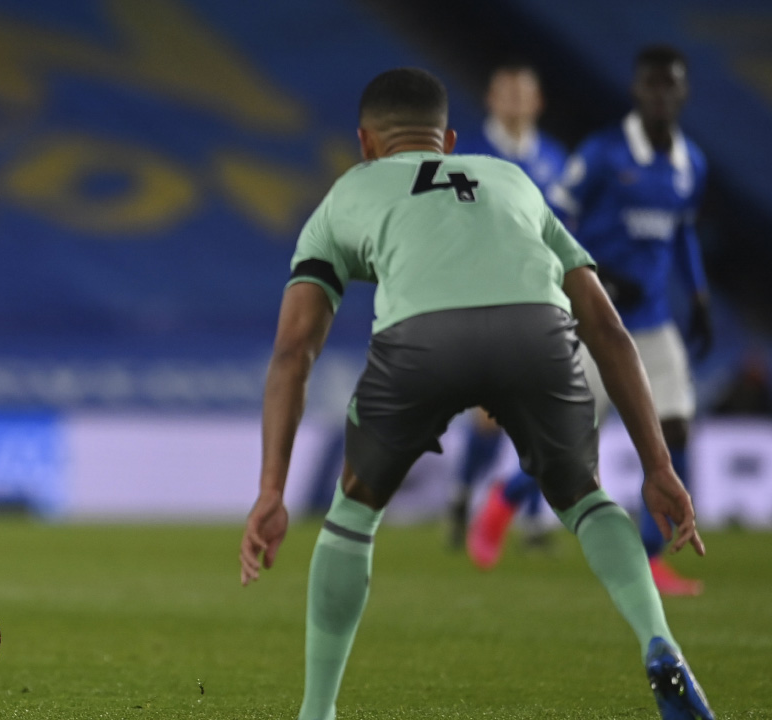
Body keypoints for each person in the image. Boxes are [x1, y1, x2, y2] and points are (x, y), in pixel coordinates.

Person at [239, 67, 713, 720]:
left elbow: (294, 350)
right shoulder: (511, 179)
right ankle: (658, 640)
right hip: (538, 332)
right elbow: (607, 328)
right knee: (587, 499)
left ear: (366, 143)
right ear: (450, 141)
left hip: (421, 340)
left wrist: (271, 491)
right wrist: (658, 467)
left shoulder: (348, 191)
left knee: (353, 513)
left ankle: (316, 713)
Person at [468, 46, 712, 597]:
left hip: (654, 324)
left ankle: (650, 559)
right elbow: (553, 216)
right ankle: (504, 499)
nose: (661, 95)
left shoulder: (690, 163)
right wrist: (594, 274)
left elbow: (683, 231)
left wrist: (698, 295)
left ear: (683, 92)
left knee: (673, 436)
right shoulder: (602, 155)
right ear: (637, 90)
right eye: (652, 84)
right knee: (568, 448)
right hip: (596, 323)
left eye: (670, 85)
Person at [448, 62, 569, 548]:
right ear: (491, 101)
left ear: (539, 102)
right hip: (486, 297)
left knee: (543, 409)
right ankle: (462, 494)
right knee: (492, 415)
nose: (516, 101)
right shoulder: (468, 158)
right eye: (507, 93)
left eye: (524, 93)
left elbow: (566, 228)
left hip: (544, 297)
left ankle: (534, 518)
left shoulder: (557, 159)